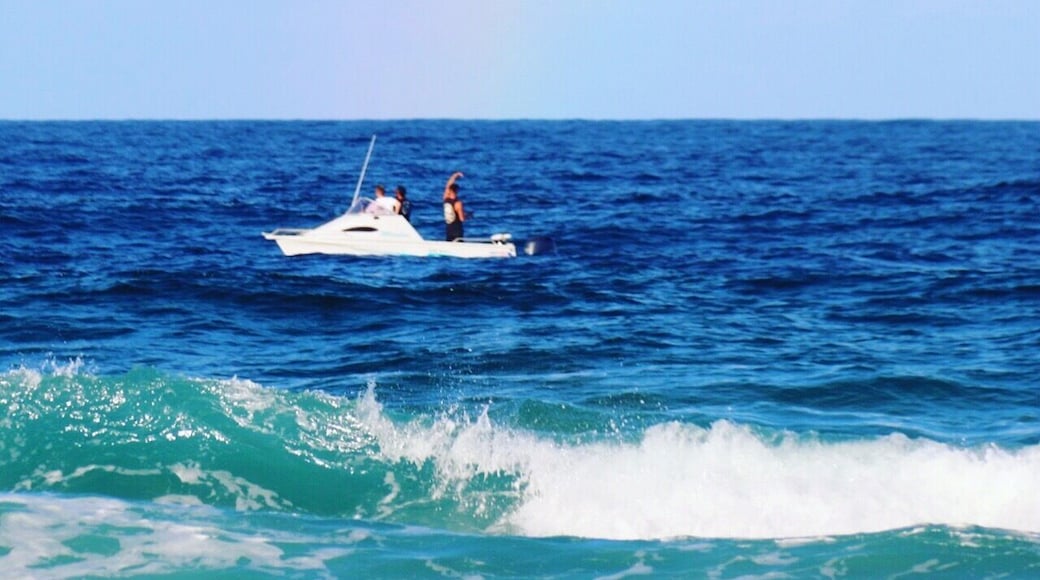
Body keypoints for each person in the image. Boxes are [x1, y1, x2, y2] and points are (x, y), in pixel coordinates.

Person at [443, 171, 466, 241]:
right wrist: (468, 215)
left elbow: (447, 186)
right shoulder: (458, 203)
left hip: (448, 230)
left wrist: (454, 176)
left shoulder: (445, 199)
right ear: (457, 191)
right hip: (457, 231)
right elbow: (462, 219)